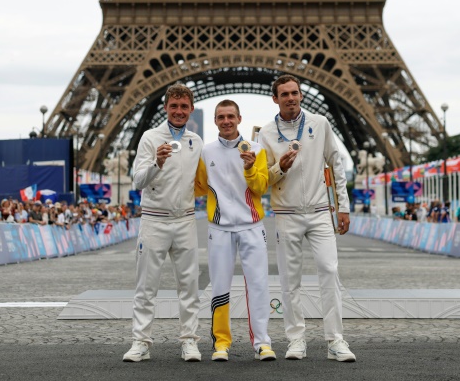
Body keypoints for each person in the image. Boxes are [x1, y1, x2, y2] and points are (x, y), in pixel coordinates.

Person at [258, 74, 355, 362]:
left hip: (319, 212)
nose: (291, 98)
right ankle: (295, 339)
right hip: (286, 214)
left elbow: (336, 164)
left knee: (330, 272)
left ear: (301, 95)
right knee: (290, 281)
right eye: (284, 94)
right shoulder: (265, 133)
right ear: (275, 99)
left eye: (295, 92)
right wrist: (281, 169)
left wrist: (343, 207)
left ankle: (335, 340)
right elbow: (262, 180)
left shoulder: (320, 123)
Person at [123, 83, 203, 363]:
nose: (179, 111)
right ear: (166, 108)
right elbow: (138, 180)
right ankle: (141, 341)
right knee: (146, 286)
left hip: (185, 220)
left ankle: (190, 341)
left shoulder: (196, 141)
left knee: (189, 285)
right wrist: (156, 162)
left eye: (184, 107)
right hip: (154, 220)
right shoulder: (149, 137)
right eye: (174, 106)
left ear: (191, 109)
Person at [194, 99, 275, 362]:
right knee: (219, 286)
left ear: (239, 118)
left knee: (259, 285)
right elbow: (198, 187)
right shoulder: (206, 152)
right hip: (219, 228)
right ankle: (221, 343)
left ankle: (262, 342)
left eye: (231, 116)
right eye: (221, 117)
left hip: (252, 226)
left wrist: (251, 167)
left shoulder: (257, 149)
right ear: (215, 121)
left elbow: (262, 188)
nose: (226, 121)